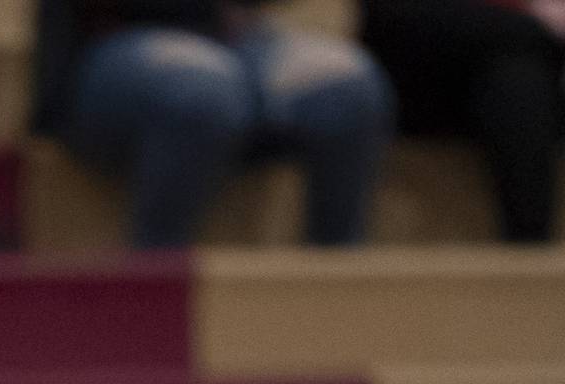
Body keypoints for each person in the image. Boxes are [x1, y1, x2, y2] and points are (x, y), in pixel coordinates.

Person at [35, 0, 395, 248]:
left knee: (349, 86)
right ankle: (156, 289)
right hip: (117, 40)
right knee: (203, 94)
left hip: (236, 39)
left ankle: (332, 299)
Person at [361, 0, 564, 243]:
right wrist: (537, 22)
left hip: (510, 77)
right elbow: (388, 16)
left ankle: (527, 266)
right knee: (520, 67)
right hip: (410, 71)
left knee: (519, 82)